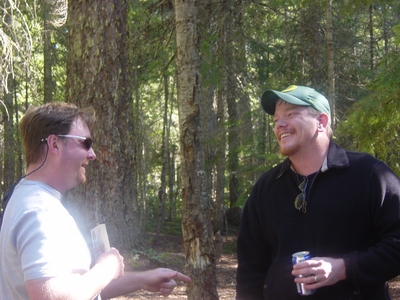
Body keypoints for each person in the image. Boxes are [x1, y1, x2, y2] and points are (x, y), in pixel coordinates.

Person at [0, 102, 191, 300]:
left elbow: (78, 288)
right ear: (54, 144)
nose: (92, 154)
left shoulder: (27, 197)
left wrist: (142, 279)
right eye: (86, 143)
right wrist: (107, 268)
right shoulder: (40, 211)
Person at [236, 85, 400, 299]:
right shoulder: (266, 187)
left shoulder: (369, 174)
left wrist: (344, 268)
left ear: (321, 122)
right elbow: (251, 269)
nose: (279, 125)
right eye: (276, 120)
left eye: (291, 114)